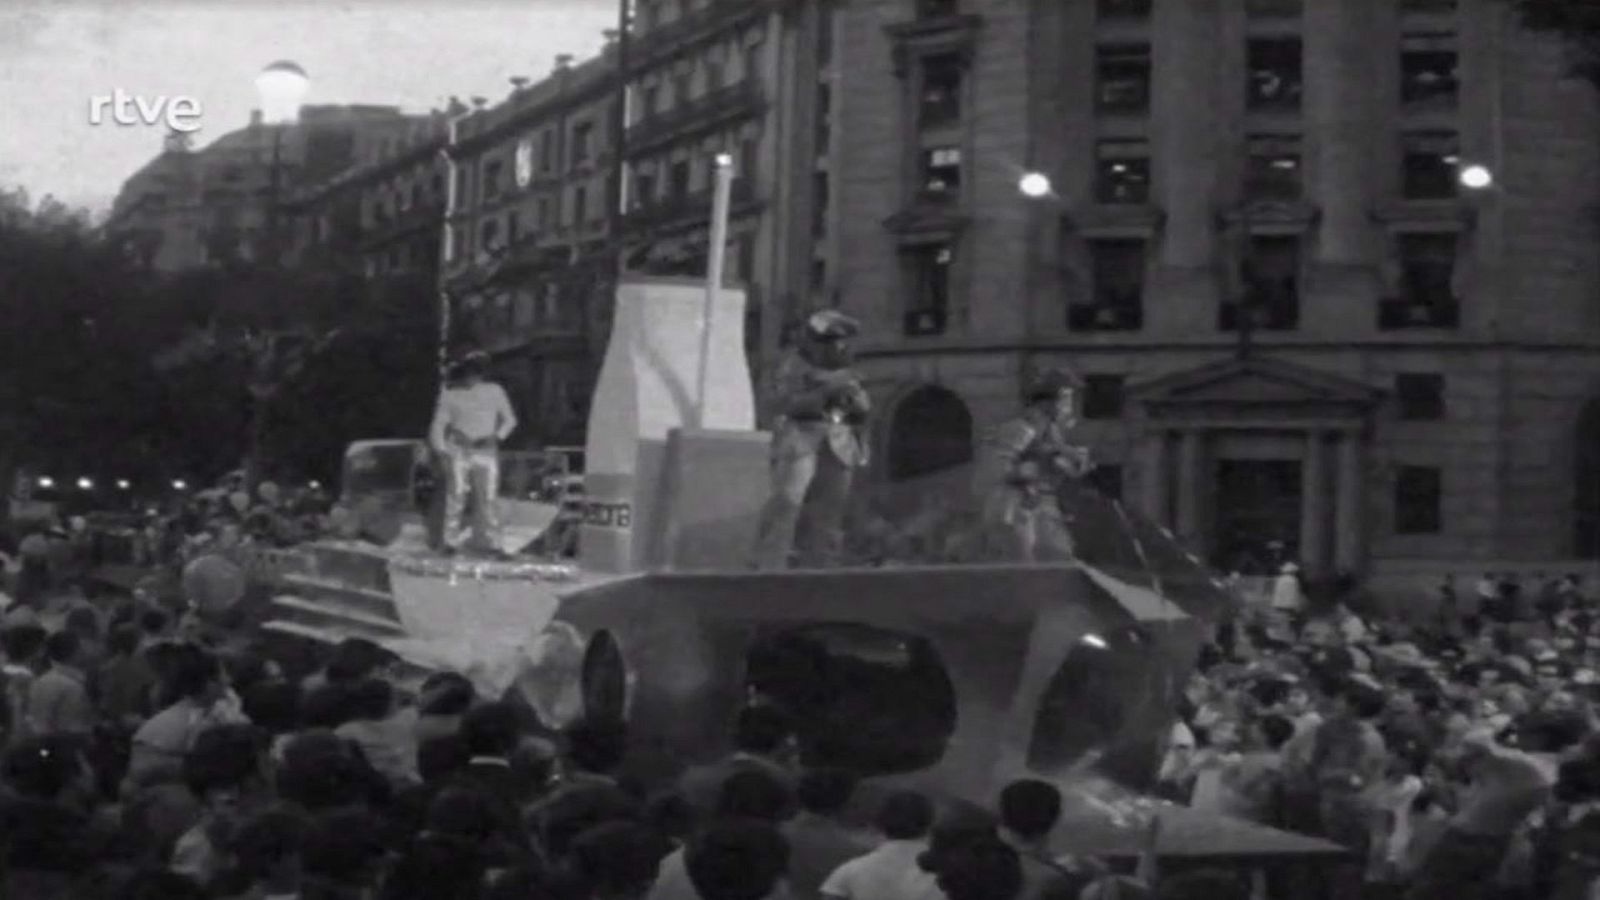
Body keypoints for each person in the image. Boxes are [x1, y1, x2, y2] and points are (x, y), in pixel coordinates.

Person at [751, 309, 870, 570]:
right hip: (801, 437)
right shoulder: (790, 367)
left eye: (842, 341)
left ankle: (821, 566)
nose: (838, 347)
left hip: (838, 439)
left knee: (831, 511)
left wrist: (856, 401)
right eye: (831, 341)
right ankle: (770, 565)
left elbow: (861, 409)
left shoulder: (847, 371)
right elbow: (779, 404)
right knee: (787, 502)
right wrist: (825, 392)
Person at [971, 369, 1092, 562]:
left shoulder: (1051, 434)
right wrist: (1033, 470)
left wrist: (1071, 464)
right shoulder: (1021, 429)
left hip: (1044, 508)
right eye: (1065, 399)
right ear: (1047, 403)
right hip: (1018, 508)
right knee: (1026, 565)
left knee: (1060, 558)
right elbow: (996, 470)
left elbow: (1060, 469)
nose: (1068, 407)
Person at [428, 349, 518, 556]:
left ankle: (495, 544)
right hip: (459, 451)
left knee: (488, 497)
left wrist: (497, 436)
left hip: (485, 451)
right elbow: (438, 425)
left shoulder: (495, 391)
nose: (471, 377)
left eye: (475, 372)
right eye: (468, 372)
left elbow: (510, 420)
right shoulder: (450, 394)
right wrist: (442, 451)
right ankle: (450, 542)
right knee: (456, 495)